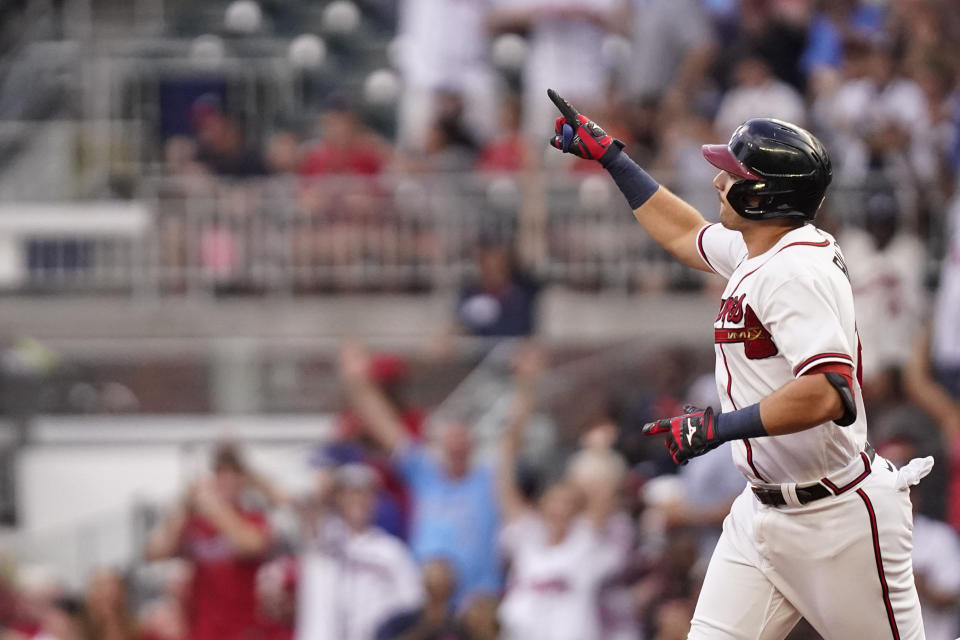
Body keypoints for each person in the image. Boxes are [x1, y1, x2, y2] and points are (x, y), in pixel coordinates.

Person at [546, 89, 932, 638]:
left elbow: (829, 391)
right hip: (761, 516)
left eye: (731, 174)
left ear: (764, 193)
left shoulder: (796, 271)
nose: (717, 181)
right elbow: (683, 234)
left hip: (836, 518)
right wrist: (614, 158)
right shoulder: (764, 248)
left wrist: (719, 428)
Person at [340, 343, 501, 606]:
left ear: (474, 445)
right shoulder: (425, 473)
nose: (457, 446)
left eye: (463, 440)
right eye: (451, 440)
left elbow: (513, 440)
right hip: (426, 600)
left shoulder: (489, 479)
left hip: (475, 602)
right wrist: (357, 382)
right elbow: (385, 427)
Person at [496, 347, 631, 640]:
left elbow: (606, 484)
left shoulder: (584, 538)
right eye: (554, 501)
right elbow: (505, 462)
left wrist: (597, 428)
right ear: (542, 506)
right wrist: (526, 387)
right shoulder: (527, 535)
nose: (560, 509)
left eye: (568, 503)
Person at [144, 444, 271, 640]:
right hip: (203, 631)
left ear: (243, 480)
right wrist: (183, 506)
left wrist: (212, 506)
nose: (226, 481)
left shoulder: (254, 518)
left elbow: (252, 545)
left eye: (233, 474)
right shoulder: (195, 524)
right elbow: (154, 552)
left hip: (245, 631)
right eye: (219, 473)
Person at [294, 462, 423, 640]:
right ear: (337, 498)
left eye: (365, 493)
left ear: (375, 499)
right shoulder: (321, 537)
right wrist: (324, 489)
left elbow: (411, 605)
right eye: (349, 492)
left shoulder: (392, 550)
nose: (358, 499)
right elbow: (307, 513)